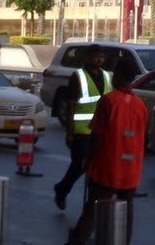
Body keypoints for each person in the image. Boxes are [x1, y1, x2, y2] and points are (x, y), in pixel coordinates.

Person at [67, 56, 147, 245]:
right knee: (126, 210)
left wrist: (90, 160)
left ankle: (76, 241)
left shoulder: (108, 101)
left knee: (92, 208)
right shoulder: (140, 105)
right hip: (131, 169)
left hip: (108, 167)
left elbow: (97, 135)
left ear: (118, 75)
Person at [54, 44, 112, 211]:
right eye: (95, 56)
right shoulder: (78, 76)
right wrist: (69, 132)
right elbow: (71, 105)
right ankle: (62, 189)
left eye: (101, 56)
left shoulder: (106, 76)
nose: (99, 59)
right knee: (79, 164)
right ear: (87, 58)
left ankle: (93, 200)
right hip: (81, 129)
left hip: (100, 130)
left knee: (96, 166)